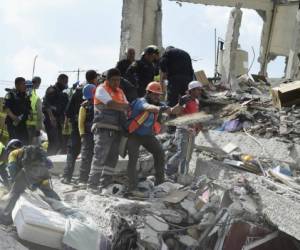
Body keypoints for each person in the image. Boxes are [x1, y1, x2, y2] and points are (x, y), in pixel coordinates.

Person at [126, 81, 176, 192]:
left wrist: (180, 104)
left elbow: (171, 110)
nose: (157, 97)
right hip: (134, 135)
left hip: (147, 136)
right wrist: (160, 108)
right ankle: (132, 188)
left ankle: (160, 183)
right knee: (133, 160)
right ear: (148, 93)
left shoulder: (158, 104)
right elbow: (148, 107)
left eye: (158, 95)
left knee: (159, 153)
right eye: (155, 94)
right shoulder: (140, 101)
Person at [0, 139, 60, 225]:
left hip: (31, 171)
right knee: (48, 191)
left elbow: (12, 168)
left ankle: (6, 218)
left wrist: (15, 182)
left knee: (15, 193)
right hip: (43, 172)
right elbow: (49, 165)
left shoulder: (13, 154)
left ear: (10, 148)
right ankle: (60, 206)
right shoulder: (33, 151)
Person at [88, 68, 129, 191]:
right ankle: (92, 185)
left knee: (112, 160)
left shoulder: (120, 92)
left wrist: (122, 107)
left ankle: (105, 185)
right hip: (103, 129)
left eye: (118, 80)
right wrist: (122, 106)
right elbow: (112, 104)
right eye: (114, 80)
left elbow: (127, 106)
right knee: (100, 158)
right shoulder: (101, 89)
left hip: (117, 129)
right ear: (108, 80)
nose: (117, 83)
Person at [62, 70, 98, 184]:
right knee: (88, 153)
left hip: (77, 125)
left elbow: (68, 110)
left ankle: (67, 176)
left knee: (73, 151)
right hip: (90, 128)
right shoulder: (96, 92)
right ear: (94, 79)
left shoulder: (78, 90)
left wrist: (67, 123)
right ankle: (84, 178)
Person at [166, 81, 203, 179]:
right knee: (181, 153)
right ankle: (168, 170)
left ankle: (183, 174)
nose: (200, 92)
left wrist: (199, 126)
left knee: (188, 155)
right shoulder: (184, 100)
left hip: (192, 131)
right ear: (192, 90)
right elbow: (177, 113)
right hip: (183, 130)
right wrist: (180, 104)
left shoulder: (196, 101)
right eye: (198, 90)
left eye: (200, 90)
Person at [42, 74, 69, 155]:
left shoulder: (62, 93)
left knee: (60, 143)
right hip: (51, 120)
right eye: (65, 82)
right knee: (54, 142)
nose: (66, 84)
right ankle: (47, 162)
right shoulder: (52, 90)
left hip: (58, 120)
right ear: (60, 80)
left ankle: (50, 160)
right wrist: (51, 118)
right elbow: (46, 105)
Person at [75, 84, 96, 187]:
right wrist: (82, 135)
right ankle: (83, 179)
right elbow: (81, 122)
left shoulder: (100, 104)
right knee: (86, 157)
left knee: (95, 157)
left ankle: (91, 179)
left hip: (97, 135)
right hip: (87, 135)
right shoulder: (84, 106)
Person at [4, 77, 31, 145]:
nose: (25, 86)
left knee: (25, 142)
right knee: (15, 143)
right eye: (23, 84)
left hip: (22, 123)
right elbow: (6, 108)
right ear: (17, 85)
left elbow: (29, 109)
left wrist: (29, 115)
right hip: (12, 123)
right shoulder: (11, 94)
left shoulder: (26, 96)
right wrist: (14, 117)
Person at [26, 76, 43, 145]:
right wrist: (39, 126)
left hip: (25, 122)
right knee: (30, 144)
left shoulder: (27, 92)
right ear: (37, 83)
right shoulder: (34, 95)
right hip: (31, 124)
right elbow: (39, 113)